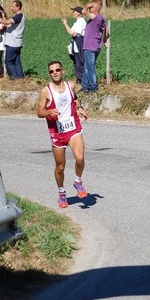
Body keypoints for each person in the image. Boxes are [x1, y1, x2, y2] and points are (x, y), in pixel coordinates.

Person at [37, 60, 89, 208]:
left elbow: (75, 98)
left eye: (57, 70)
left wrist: (80, 108)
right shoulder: (46, 91)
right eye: (51, 71)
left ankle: (78, 181)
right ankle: (61, 192)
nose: (54, 73)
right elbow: (39, 112)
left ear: (62, 71)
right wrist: (48, 112)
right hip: (57, 133)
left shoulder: (70, 85)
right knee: (60, 167)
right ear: (49, 74)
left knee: (80, 159)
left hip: (73, 128)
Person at [81, 1, 108, 93]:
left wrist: (87, 6)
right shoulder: (101, 18)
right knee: (86, 67)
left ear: (95, 9)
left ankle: (94, 87)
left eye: (92, 7)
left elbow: (83, 12)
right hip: (95, 46)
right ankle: (84, 87)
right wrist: (104, 40)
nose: (90, 9)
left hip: (90, 46)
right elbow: (107, 30)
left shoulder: (95, 17)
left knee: (90, 67)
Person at [61, 6, 86, 85]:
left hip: (79, 42)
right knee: (76, 61)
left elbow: (74, 33)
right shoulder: (77, 22)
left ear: (78, 13)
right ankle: (79, 79)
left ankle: (83, 81)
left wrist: (72, 33)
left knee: (80, 61)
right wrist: (65, 24)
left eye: (74, 11)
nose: (73, 13)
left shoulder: (81, 21)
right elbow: (71, 32)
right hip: (76, 42)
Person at [3, 0, 25, 79]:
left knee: (8, 61)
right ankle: (20, 77)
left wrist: (1, 21)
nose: (11, 8)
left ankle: (15, 78)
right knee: (16, 61)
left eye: (13, 6)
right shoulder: (18, 16)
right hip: (17, 43)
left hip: (12, 43)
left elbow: (9, 22)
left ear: (18, 7)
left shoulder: (19, 16)